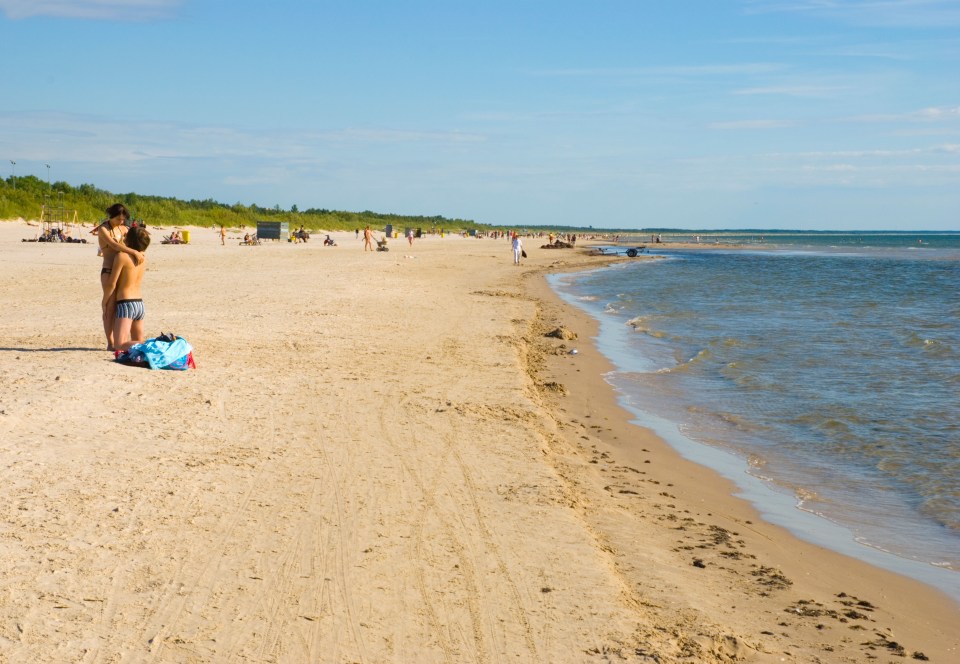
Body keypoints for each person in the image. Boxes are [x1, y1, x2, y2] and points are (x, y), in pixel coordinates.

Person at [98, 204, 143, 350]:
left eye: (123, 219)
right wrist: (133, 252)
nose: (121, 222)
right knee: (109, 306)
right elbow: (114, 245)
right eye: (118, 219)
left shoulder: (124, 228)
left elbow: (135, 239)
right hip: (108, 270)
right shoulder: (103, 229)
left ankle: (122, 337)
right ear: (111, 216)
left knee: (120, 305)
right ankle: (110, 342)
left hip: (122, 270)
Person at [103, 226, 151, 352]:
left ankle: (157, 342)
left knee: (120, 345)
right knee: (138, 344)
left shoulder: (121, 257)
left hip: (126, 304)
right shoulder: (142, 257)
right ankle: (156, 343)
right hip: (139, 304)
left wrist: (105, 301)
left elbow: (112, 284)